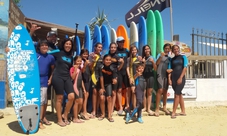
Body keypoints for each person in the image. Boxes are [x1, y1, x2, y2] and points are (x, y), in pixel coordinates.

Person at [51, 38, 75, 127]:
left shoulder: (71, 57)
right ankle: (59, 119)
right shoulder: (58, 52)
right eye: (67, 44)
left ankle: (65, 114)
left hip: (67, 77)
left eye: (70, 44)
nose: (68, 45)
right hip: (58, 77)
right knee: (60, 98)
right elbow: (46, 52)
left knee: (71, 97)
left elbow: (69, 68)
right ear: (63, 44)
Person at [36, 40, 55, 129]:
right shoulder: (35, 55)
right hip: (34, 81)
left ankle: (41, 120)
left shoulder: (50, 57)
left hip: (44, 81)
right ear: (39, 47)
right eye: (42, 45)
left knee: (43, 102)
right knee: (36, 101)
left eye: (46, 45)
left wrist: (50, 79)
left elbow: (52, 69)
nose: (44, 47)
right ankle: (36, 119)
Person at [168, 45, 188, 119]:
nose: (176, 50)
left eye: (177, 49)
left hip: (180, 78)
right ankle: (183, 111)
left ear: (179, 49)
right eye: (174, 49)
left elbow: (185, 68)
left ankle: (173, 112)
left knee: (176, 94)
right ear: (172, 51)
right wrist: (169, 79)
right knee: (179, 94)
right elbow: (169, 70)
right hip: (173, 78)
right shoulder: (171, 60)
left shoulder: (183, 57)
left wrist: (180, 78)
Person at [98, 54, 117, 122]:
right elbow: (101, 78)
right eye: (106, 60)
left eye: (109, 60)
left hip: (109, 84)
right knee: (102, 98)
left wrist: (115, 80)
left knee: (109, 98)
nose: (108, 61)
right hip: (101, 84)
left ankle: (109, 115)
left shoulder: (112, 68)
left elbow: (115, 77)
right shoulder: (101, 67)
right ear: (103, 60)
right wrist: (102, 88)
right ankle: (103, 114)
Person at [155, 43, 171, 116]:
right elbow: (156, 64)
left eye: (168, 48)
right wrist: (161, 57)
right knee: (160, 90)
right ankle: (157, 108)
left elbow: (170, 68)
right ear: (164, 48)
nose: (167, 50)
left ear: (170, 50)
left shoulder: (170, 58)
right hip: (160, 74)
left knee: (165, 91)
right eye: (166, 48)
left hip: (166, 76)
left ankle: (164, 107)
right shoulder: (159, 55)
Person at [108, 42, 124, 114]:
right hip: (109, 75)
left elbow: (119, 68)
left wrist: (122, 63)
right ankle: (112, 108)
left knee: (119, 91)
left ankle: (120, 107)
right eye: (112, 47)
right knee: (113, 92)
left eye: (114, 47)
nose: (113, 49)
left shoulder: (117, 57)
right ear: (109, 48)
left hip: (117, 74)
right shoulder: (107, 56)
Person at [116, 37, 130, 115]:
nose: (121, 43)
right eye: (120, 42)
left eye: (122, 42)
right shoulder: (115, 51)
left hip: (126, 72)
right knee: (119, 90)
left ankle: (127, 106)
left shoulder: (126, 50)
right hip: (118, 72)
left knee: (127, 89)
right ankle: (120, 107)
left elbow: (133, 56)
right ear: (117, 43)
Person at [141, 45, 156, 116]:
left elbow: (155, 69)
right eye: (145, 49)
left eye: (148, 49)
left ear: (150, 50)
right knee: (144, 92)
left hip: (150, 76)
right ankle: (144, 107)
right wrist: (143, 62)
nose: (147, 50)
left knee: (149, 92)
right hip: (143, 76)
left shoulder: (153, 58)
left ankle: (149, 108)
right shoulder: (142, 58)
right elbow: (141, 69)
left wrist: (153, 62)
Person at [70, 56, 86, 123]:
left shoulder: (80, 69)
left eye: (80, 61)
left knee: (81, 102)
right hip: (75, 86)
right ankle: (75, 118)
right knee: (76, 102)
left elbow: (81, 79)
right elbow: (72, 78)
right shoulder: (72, 68)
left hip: (80, 87)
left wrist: (84, 88)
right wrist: (75, 69)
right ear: (74, 61)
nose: (79, 62)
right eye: (78, 61)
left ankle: (76, 114)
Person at [126, 45, 142, 112]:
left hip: (139, 78)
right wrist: (129, 77)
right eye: (132, 50)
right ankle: (134, 107)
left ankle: (137, 107)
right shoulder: (129, 59)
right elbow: (127, 68)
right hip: (132, 78)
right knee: (133, 92)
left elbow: (142, 67)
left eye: (135, 50)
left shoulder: (139, 58)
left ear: (137, 51)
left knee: (138, 93)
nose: (134, 51)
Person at [89, 42, 103, 118]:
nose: (100, 49)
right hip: (93, 76)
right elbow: (90, 68)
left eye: (101, 47)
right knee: (94, 92)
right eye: (98, 47)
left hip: (100, 76)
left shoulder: (102, 56)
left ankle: (97, 110)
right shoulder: (91, 55)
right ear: (95, 47)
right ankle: (94, 110)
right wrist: (93, 60)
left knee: (98, 93)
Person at [80, 49, 91, 120]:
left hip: (87, 79)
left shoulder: (87, 60)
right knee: (85, 95)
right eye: (84, 54)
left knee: (87, 95)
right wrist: (85, 64)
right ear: (81, 54)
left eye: (86, 54)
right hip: (83, 80)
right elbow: (82, 71)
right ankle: (83, 111)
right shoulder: (81, 61)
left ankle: (85, 110)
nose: (85, 55)